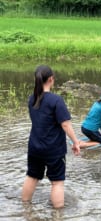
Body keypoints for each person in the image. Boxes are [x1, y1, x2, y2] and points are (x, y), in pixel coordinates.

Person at [22, 65, 81, 209]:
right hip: (53, 149)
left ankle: (25, 209)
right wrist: (76, 142)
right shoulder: (56, 100)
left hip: (34, 146)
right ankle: (58, 216)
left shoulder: (32, 99)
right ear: (51, 79)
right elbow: (66, 125)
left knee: (32, 177)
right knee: (57, 182)